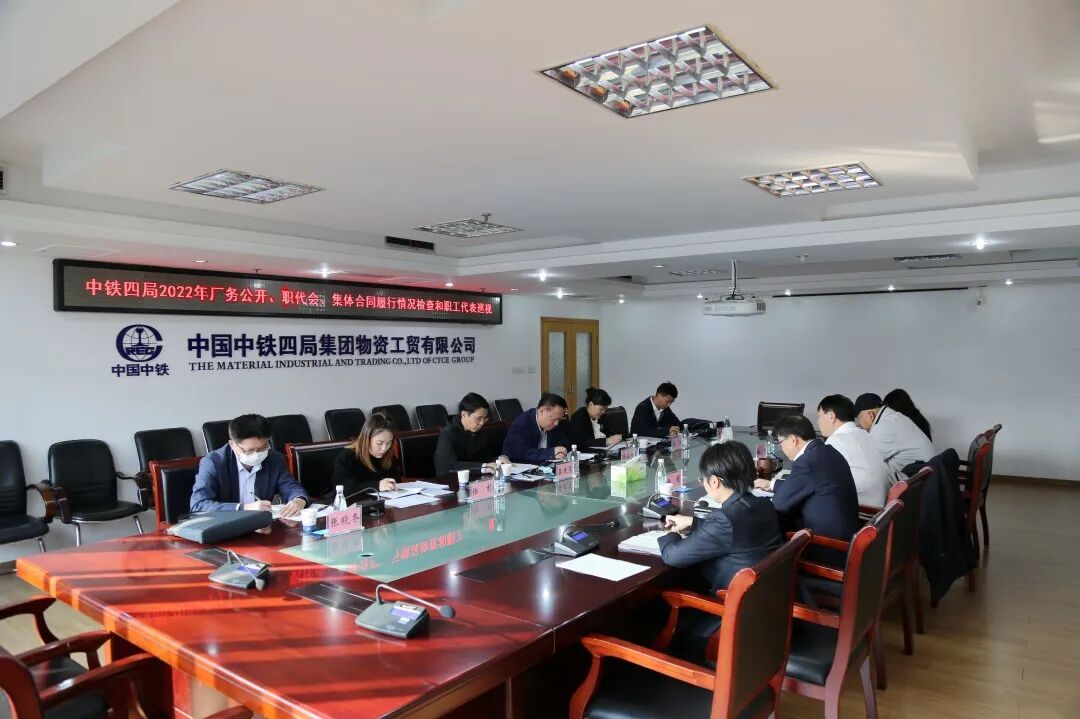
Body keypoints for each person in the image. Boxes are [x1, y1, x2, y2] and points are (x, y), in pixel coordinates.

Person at [660, 442, 784, 593]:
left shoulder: (725, 520)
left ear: (714, 481)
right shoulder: (764, 504)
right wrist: (693, 522)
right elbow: (735, 532)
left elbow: (672, 556)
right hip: (767, 596)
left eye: (702, 479)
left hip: (730, 601)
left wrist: (670, 533)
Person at [756, 415, 859, 565]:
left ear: (793, 440)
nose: (781, 448)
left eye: (780, 443)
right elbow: (804, 485)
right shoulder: (827, 451)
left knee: (770, 525)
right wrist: (772, 484)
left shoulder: (806, 462)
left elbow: (779, 504)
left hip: (828, 549)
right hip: (847, 538)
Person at [190, 414, 308, 515]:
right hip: (225, 527)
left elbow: (291, 487)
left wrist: (299, 500)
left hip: (262, 526)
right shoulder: (213, 463)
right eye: (250, 450)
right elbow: (199, 505)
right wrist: (244, 508)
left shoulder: (274, 459)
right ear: (232, 445)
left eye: (263, 448)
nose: (257, 454)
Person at [816, 394, 893, 507]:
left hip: (864, 510)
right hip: (881, 504)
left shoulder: (835, 441)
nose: (818, 422)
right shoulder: (863, 433)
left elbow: (823, 480)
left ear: (831, 416)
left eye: (819, 416)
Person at [854, 393, 935, 475]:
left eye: (858, 418)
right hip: (927, 473)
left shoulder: (882, 427)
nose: (858, 424)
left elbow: (863, 462)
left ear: (870, 415)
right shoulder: (897, 417)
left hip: (920, 478)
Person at [434, 393, 510, 476]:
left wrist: (498, 459)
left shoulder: (480, 430)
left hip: (476, 478)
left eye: (485, 418)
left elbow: (484, 458)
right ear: (464, 414)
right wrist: (483, 467)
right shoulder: (448, 433)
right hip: (450, 480)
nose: (482, 423)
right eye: (478, 418)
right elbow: (449, 465)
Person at [331, 413, 400, 503]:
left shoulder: (388, 457)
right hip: (355, 506)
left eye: (389, 443)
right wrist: (377, 486)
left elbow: (396, 481)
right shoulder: (347, 458)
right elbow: (343, 490)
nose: (384, 448)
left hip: (386, 504)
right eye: (379, 443)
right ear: (367, 439)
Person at [502, 393, 571, 462]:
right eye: (554, 419)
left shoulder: (555, 423)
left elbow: (566, 445)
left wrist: (562, 450)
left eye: (559, 419)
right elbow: (518, 453)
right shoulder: (521, 423)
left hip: (546, 465)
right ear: (541, 411)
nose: (556, 423)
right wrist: (550, 453)